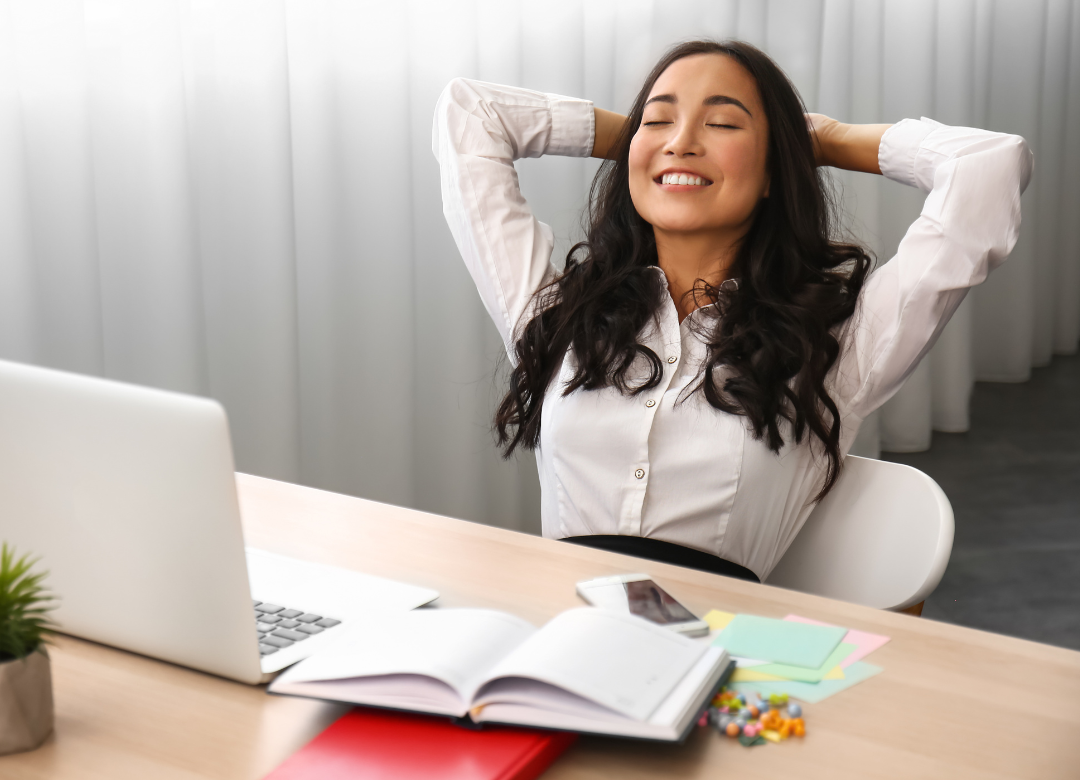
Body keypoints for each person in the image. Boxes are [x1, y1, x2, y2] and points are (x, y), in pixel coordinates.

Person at [432, 40, 1031, 582]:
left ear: (775, 169)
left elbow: (987, 165)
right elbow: (473, 114)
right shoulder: (559, 312)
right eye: (659, 118)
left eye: (721, 123)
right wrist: (650, 149)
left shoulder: (838, 343)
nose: (682, 138)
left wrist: (816, 141)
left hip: (717, 659)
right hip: (560, 642)